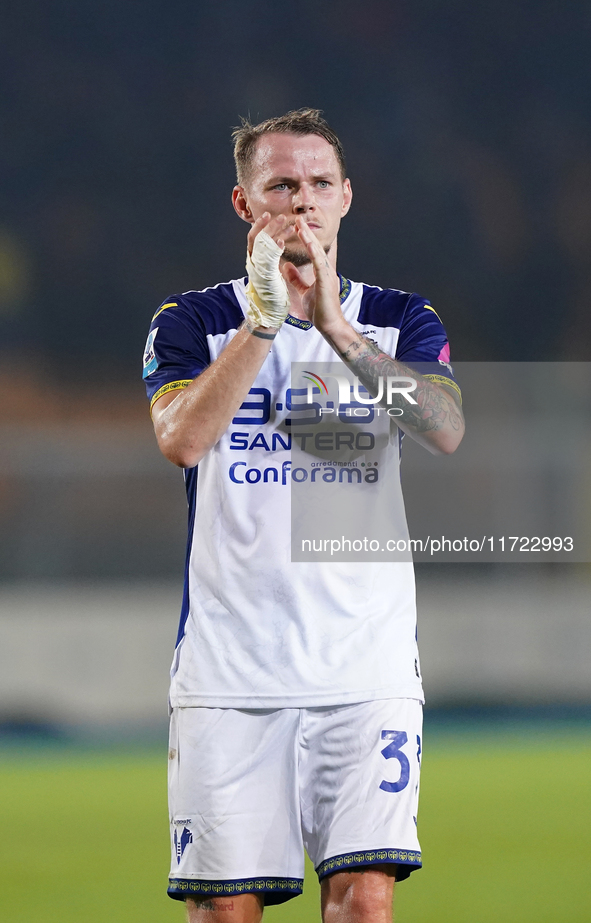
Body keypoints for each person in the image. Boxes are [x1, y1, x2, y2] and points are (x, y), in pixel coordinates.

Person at [143, 108, 464, 923]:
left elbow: (443, 428)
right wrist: (265, 322)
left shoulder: (398, 319)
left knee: (363, 902)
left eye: (319, 183)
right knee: (225, 912)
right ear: (244, 205)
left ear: (347, 197)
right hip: (229, 674)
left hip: (365, 669)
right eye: (280, 185)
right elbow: (182, 439)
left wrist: (330, 326)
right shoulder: (190, 322)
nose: (302, 202)